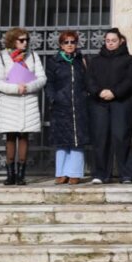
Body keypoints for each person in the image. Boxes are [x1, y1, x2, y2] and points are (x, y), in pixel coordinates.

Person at [0, 27, 46, 185]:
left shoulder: (33, 56)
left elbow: (42, 78)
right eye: (21, 40)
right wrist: (16, 88)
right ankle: (10, 174)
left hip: (27, 100)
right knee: (10, 137)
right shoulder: (3, 57)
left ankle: (21, 175)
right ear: (13, 41)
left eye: (27, 40)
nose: (25, 43)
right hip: (9, 101)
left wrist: (28, 87)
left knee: (24, 136)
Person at [85, 28, 132, 184]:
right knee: (101, 138)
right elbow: (89, 80)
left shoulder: (130, 60)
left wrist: (114, 92)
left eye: (113, 41)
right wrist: (99, 92)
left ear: (120, 41)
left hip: (121, 103)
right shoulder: (95, 61)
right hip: (99, 103)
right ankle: (100, 174)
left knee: (121, 136)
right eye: (107, 41)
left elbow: (130, 80)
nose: (110, 43)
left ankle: (127, 174)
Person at [45, 30, 91, 185]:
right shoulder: (54, 61)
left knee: (77, 140)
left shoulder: (81, 60)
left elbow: (88, 80)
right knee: (62, 140)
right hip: (60, 106)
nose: (70, 45)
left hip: (79, 105)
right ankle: (62, 172)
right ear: (61, 45)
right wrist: (53, 98)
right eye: (66, 42)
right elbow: (49, 83)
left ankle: (75, 173)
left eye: (72, 42)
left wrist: (85, 96)